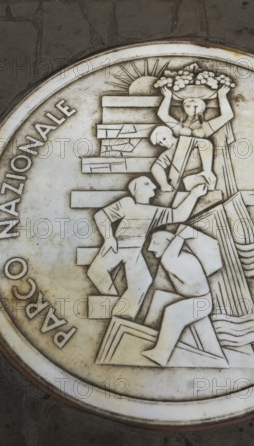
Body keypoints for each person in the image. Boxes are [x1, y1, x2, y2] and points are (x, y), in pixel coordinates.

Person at [87, 176, 207, 320]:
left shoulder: (155, 212)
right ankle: (114, 309)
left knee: (142, 281)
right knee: (96, 272)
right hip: (118, 246)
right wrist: (108, 238)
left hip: (135, 251)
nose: (154, 186)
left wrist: (194, 195)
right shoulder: (127, 203)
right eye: (147, 183)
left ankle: (122, 318)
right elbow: (101, 216)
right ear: (136, 189)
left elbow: (179, 214)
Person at [142, 226, 222, 367]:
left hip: (201, 303)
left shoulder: (175, 259)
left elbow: (169, 257)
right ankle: (146, 335)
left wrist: (181, 236)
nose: (150, 248)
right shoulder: (177, 258)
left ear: (169, 243)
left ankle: (161, 354)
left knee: (173, 313)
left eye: (155, 242)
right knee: (160, 297)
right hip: (193, 299)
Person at [150, 125, 216, 192]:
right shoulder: (166, 154)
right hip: (185, 183)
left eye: (164, 138)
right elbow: (155, 167)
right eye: (160, 142)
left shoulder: (186, 140)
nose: (164, 143)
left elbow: (205, 144)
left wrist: (207, 170)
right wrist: (164, 185)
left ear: (168, 132)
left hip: (204, 177)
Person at [157, 85, 234, 139]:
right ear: (183, 107)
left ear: (202, 108)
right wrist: (167, 97)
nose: (192, 109)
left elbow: (227, 115)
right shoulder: (180, 125)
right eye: (188, 106)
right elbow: (162, 115)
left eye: (196, 106)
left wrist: (222, 96)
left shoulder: (206, 127)